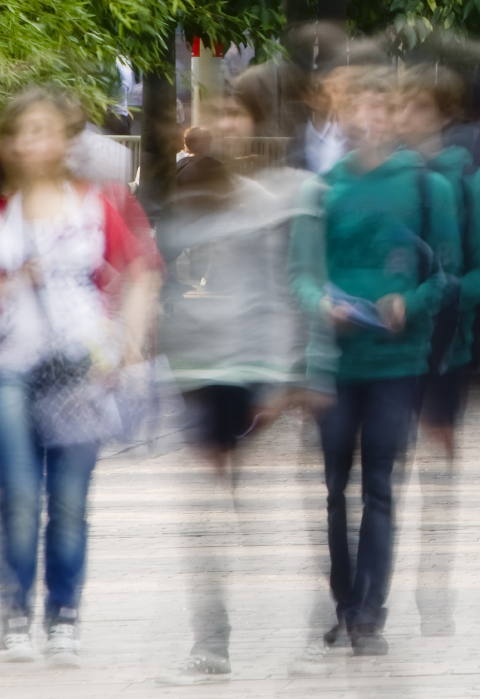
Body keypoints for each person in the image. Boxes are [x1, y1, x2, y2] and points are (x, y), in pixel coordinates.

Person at [289, 63, 459, 658]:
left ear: (396, 117)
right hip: (335, 360)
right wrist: (323, 304)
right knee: (335, 489)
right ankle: (344, 597)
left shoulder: (426, 189)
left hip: (396, 360)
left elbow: (445, 275)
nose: (367, 119)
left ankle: (369, 614)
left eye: (379, 109)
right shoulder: (323, 190)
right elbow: (302, 275)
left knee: (380, 486)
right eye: (354, 108)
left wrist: (406, 303)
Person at [158, 66, 311, 681]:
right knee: (208, 501)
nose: (222, 125)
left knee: (237, 499)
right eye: (216, 115)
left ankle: (305, 612)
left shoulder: (268, 202)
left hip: (250, 364)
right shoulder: (187, 194)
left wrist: (279, 376)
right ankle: (211, 636)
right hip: (199, 367)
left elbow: (280, 293)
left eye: (235, 115)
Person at [0, 87, 161, 665]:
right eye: (20, 131)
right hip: (11, 368)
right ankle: (13, 611)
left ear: (66, 141)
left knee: (69, 499)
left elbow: (141, 271)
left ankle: (63, 613)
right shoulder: (3, 210)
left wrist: (131, 346)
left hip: (80, 370)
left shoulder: (97, 204)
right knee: (18, 494)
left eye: (42, 129)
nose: (29, 141)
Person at [398, 65, 480, 636]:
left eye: (415, 107)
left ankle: (432, 581)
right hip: (384, 344)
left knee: (435, 469)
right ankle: (367, 596)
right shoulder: (385, 179)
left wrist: (450, 296)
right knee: (382, 468)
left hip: (445, 346)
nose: (402, 118)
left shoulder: (472, 182)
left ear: (441, 114)